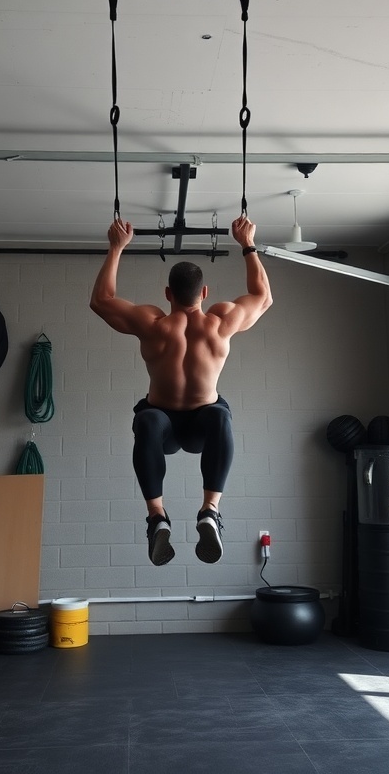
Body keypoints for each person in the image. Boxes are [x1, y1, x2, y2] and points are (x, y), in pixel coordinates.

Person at [90, 215, 273, 565]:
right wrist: (247, 244)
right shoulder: (220, 322)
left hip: (162, 427)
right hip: (204, 425)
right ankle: (210, 510)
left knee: (147, 421)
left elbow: (101, 300)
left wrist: (116, 248)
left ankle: (157, 516)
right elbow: (262, 297)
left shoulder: (152, 323)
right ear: (204, 293)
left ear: (167, 294)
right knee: (220, 417)